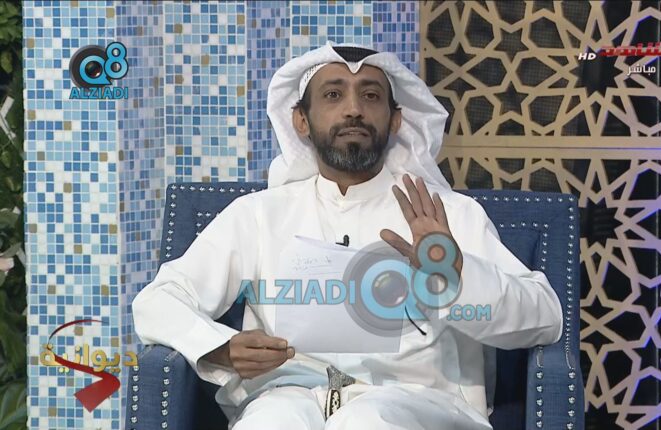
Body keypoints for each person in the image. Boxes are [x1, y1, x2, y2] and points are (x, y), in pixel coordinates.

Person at [132, 41, 563, 430]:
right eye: (333, 95)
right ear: (301, 120)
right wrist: (221, 347)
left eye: (370, 96)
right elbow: (158, 300)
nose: (353, 109)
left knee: (364, 421)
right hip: (287, 397)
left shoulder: (447, 215)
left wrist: (456, 275)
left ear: (396, 120)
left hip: (416, 403)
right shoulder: (259, 215)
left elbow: (545, 317)